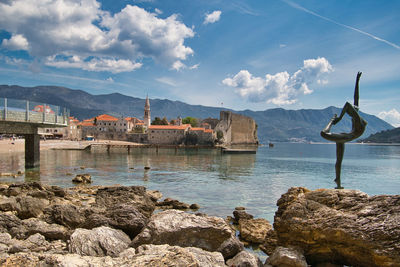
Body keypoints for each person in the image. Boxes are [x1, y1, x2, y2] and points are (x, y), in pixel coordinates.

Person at [320, 72, 367, 189]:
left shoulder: (357, 120)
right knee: (339, 160)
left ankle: (331, 120)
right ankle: (338, 182)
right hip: (346, 136)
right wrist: (357, 81)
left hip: (346, 137)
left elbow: (347, 105)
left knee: (323, 133)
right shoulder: (358, 120)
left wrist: (338, 119)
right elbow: (356, 98)